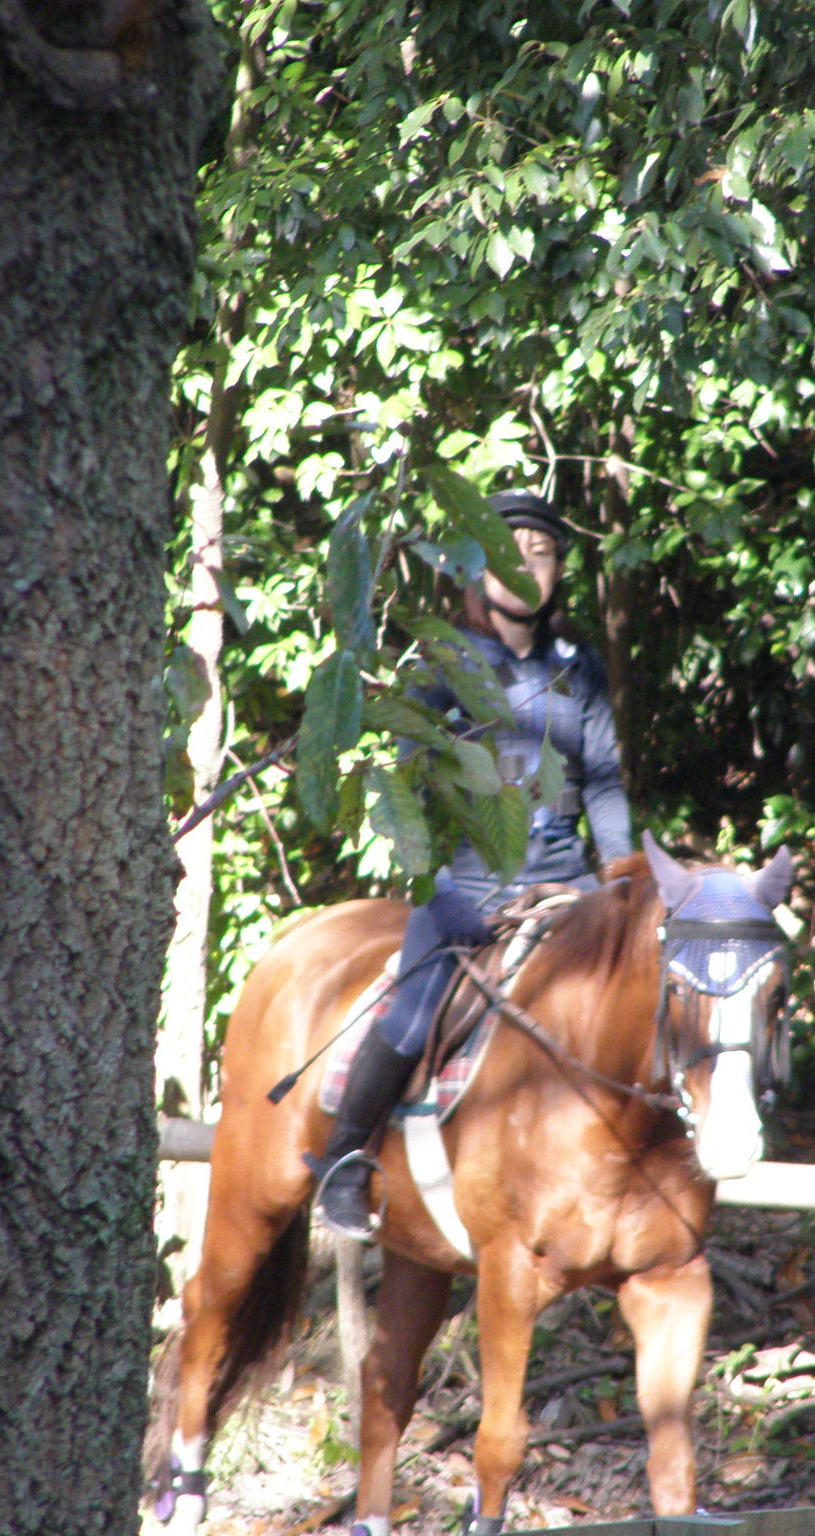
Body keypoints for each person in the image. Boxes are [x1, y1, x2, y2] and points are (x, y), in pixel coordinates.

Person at [308, 490, 634, 1240]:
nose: (527, 566)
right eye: (510, 552)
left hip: (567, 882)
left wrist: (621, 879)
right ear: (476, 565)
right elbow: (411, 782)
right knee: (414, 1010)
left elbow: (603, 784)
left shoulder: (578, 664)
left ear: (559, 573)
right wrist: (443, 886)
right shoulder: (443, 660)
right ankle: (344, 1161)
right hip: (467, 885)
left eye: (543, 555)